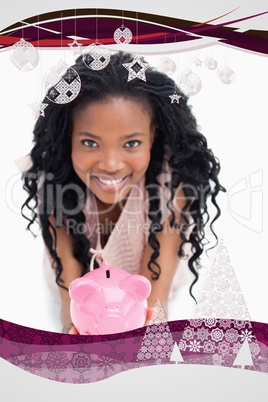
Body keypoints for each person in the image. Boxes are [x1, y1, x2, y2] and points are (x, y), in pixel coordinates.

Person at [21, 51, 224, 334]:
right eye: (90, 143)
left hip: (142, 283)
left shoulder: (173, 183)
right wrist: (75, 333)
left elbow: (155, 296)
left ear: (152, 135)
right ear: (69, 138)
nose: (112, 165)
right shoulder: (55, 179)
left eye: (131, 144)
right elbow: (70, 294)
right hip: (84, 292)